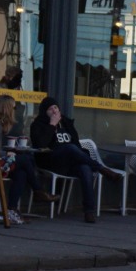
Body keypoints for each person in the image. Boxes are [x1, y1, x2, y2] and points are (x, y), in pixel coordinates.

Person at [29, 96, 120, 224]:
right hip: (51, 161)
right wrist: (52, 125)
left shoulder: (66, 123)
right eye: (50, 109)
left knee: (85, 168)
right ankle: (102, 169)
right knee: (69, 148)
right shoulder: (38, 125)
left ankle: (89, 211)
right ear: (45, 112)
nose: (54, 111)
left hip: (69, 163)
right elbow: (40, 144)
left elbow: (77, 144)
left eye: (56, 107)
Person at [0, 96, 58, 225]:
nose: (15, 110)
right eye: (14, 107)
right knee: (26, 159)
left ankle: (11, 209)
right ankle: (38, 190)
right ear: (7, 109)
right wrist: (7, 152)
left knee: (21, 173)